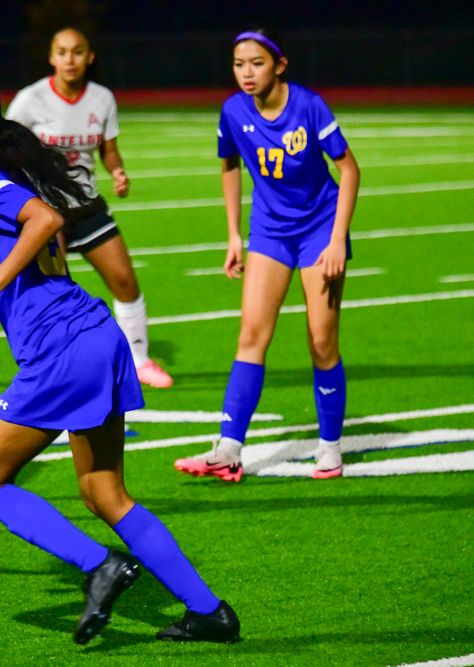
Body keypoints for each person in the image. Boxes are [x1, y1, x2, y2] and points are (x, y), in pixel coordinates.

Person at [0, 68, 240, 644]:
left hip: (61, 351)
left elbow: (44, 222)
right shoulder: (3, 176)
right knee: (103, 492)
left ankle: (100, 565)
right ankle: (209, 612)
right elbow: (22, 261)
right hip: (93, 334)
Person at [174, 28, 360, 483]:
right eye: (239, 64)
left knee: (321, 341)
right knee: (251, 336)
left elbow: (349, 170)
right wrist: (233, 234)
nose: (246, 73)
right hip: (270, 232)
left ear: (279, 65)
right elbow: (229, 165)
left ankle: (330, 448)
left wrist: (337, 239)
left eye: (256, 63)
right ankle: (228, 449)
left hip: (319, 229)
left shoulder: (309, 106)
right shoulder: (233, 111)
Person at [5, 27, 173, 389]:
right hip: (46, 212)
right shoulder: (30, 100)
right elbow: (5, 150)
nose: (70, 59)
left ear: (90, 57)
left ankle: (140, 361)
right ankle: (52, 366)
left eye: (78, 52)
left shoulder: (102, 98)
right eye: (62, 52)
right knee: (53, 291)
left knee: (125, 280)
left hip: (87, 205)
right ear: (51, 57)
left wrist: (118, 172)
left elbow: (108, 149)